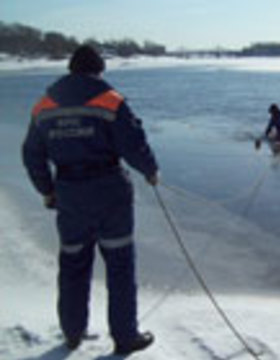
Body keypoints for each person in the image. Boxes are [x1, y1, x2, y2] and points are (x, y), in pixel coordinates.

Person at [22, 45, 158, 355]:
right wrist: (150, 170)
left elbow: (32, 154)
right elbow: (133, 142)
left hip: (69, 194)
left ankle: (72, 332)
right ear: (98, 70)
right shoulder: (110, 100)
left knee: (72, 264)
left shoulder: (44, 105)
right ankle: (125, 337)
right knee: (120, 266)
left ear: (71, 69)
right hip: (110, 192)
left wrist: (47, 190)